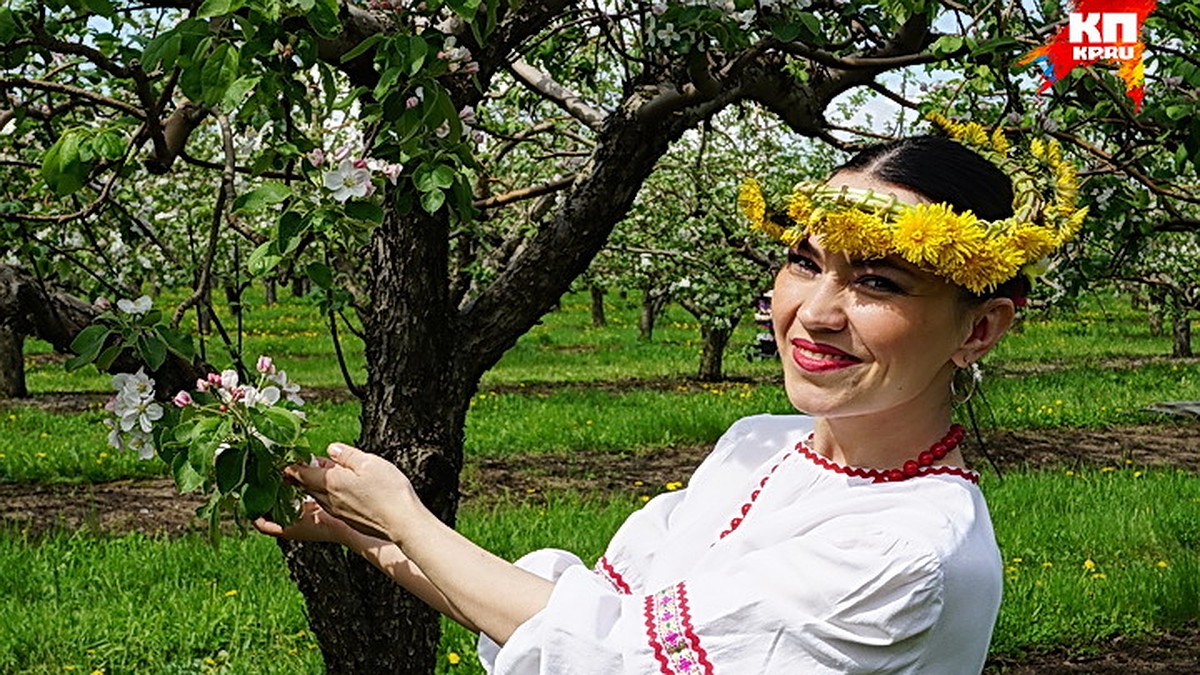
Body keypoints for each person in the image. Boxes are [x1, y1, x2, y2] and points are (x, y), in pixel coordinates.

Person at [256, 118, 1085, 673]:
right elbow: (578, 617)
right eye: (805, 261)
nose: (816, 312)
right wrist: (368, 535)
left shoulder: (907, 552)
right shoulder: (760, 441)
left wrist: (406, 514)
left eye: (876, 281)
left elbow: (609, 657)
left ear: (979, 329)